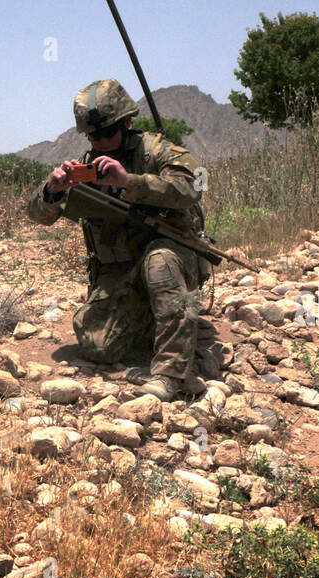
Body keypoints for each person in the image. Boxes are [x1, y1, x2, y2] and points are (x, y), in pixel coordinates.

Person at [26, 79, 227, 401]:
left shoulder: (157, 150)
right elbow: (37, 215)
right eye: (94, 135)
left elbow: (192, 189)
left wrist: (129, 181)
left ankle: (170, 375)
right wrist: (53, 190)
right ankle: (157, 318)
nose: (101, 141)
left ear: (127, 122)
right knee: (98, 346)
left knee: (159, 264)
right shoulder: (86, 168)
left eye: (108, 133)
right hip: (120, 272)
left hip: (169, 258)